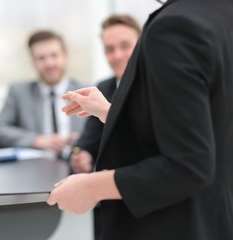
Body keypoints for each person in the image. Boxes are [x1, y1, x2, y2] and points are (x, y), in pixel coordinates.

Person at [48, 0, 233, 239]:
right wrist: (108, 111)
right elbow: (201, 123)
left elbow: (189, 165)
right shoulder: (221, 11)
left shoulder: (173, 27)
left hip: (177, 223)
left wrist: (90, 187)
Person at [0, 30, 86, 158]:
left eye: (54, 55)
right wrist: (37, 140)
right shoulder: (19, 92)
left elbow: (103, 131)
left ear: (65, 56)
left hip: (78, 164)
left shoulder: (85, 91)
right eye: (41, 58)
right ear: (33, 62)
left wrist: (84, 139)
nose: (49, 63)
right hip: (36, 167)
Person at [70, 15, 140, 174]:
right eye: (109, 49)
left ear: (141, 44)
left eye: (125, 45)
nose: (117, 55)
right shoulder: (103, 89)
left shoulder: (159, 86)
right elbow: (87, 140)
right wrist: (83, 155)